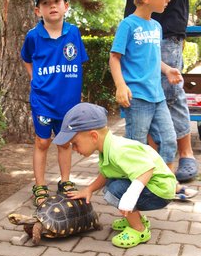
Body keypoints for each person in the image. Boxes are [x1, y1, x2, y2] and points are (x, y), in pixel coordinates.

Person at [109, 0, 198, 184]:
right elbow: (114, 58)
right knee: (136, 143)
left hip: (157, 96)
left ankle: (164, 183)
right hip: (137, 98)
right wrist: (121, 85)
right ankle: (129, 184)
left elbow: (153, 57)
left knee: (168, 141)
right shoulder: (128, 26)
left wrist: (167, 69)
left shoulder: (157, 26)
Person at [53, 102, 177, 248]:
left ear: (93, 136)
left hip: (160, 190)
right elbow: (106, 174)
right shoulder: (107, 148)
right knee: (112, 184)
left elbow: (147, 169)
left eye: (75, 143)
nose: (74, 148)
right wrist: (89, 189)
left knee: (115, 190)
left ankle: (139, 230)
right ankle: (135, 218)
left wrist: (130, 196)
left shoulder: (119, 150)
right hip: (153, 186)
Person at [21, 0, 89, 206]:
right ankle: (40, 185)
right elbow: (26, 59)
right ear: (37, 10)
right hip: (43, 100)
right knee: (42, 142)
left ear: (66, 5)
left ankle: (65, 181)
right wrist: (35, 79)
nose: (52, 6)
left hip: (67, 102)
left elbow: (79, 63)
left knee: (64, 142)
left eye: (57, 1)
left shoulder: (74, 33)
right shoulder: (33, 36)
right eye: (45, 2)